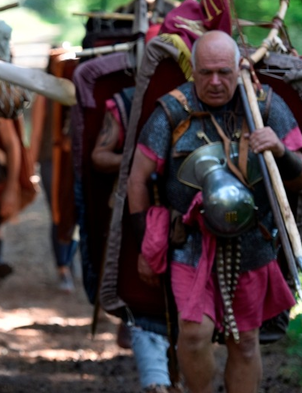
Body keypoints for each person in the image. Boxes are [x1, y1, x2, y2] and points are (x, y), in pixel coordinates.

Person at [127, 30, 300, 393]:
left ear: (239, 69)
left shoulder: (265, 106)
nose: (216, 82)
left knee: (246, 341)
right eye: (206, 73)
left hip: (253, 242)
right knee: (193, 334)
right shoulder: (172, 111)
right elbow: (137, 180)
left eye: (224, 72)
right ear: (194, 71)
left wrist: (280, 151)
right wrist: (146, 244)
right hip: (190, 242)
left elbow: (299, 173)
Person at [91, 86, 179, 393]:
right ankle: (157, 381)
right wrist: (139, 161)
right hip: (139, 216)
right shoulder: (127, 101)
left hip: (195, 220)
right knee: (145, 301)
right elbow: (99, 156)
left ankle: (179, 375)